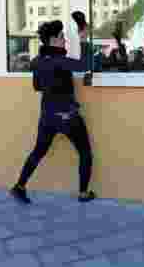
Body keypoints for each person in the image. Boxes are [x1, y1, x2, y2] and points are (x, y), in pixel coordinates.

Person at [11, 16, 96, 204]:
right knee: (85, 152)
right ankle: (83, 193)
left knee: (38, 151)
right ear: (53, 40)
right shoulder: (59, 60)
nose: (65, 40)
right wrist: (83, 38)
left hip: (47, 116)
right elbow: (85, 65)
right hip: (68, 116)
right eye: (62, 37)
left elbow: (37, 87)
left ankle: (19, 186)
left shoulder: (39, 61)